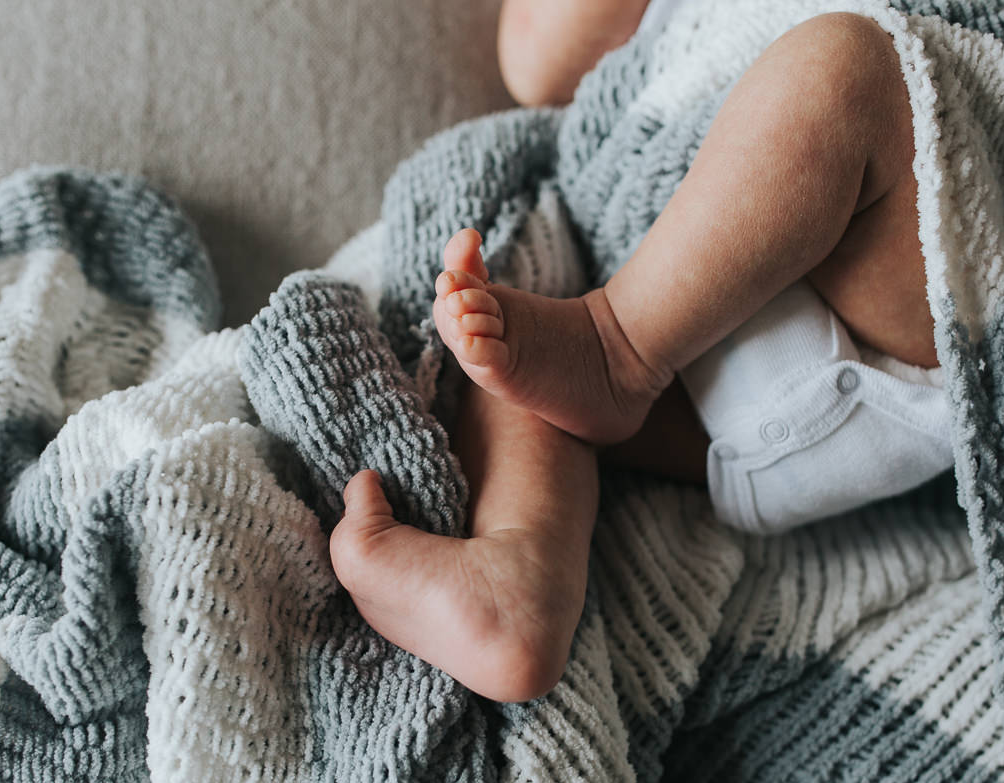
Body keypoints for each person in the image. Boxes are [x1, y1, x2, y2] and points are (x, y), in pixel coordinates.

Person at [328, 2, 951, 702]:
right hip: (686, 337)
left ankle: (616, 349)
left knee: (848, 73)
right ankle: (520, 574)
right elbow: (538, 63)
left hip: (882, 315)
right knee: (510, 347)